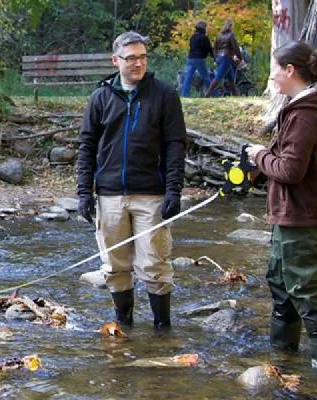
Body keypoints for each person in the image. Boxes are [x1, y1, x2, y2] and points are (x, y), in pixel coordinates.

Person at [245, 41, 317, 373]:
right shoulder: (308, 105)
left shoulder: (306, 114)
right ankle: (282, 362)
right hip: (298, 215)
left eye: (275, 69)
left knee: (308, 293)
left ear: (290, 70)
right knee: (280, 285)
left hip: (304, 217)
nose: (272, 76)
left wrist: (258, 155)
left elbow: (290, 171)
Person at [76, 31, 187, 330]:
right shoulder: (101, 97)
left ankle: (162, 329)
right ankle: (124, 325)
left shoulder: (164, 95)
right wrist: (84, 192)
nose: (138, 63)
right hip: (109, 195)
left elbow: (176, 144)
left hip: (151, 195)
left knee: (154, 266)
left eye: (142, 57)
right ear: (116, 61)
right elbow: (87, 145)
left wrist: (173, 190)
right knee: (115, 266)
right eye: (131, 58)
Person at [207, 20, 246, 97]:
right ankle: (208, 93)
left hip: (220, 58)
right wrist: (241, 59)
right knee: (218, 77)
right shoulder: (231, 35)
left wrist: (216, 59)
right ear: (230, 26)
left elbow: (215, 48)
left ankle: (235, 95)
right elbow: (236, 48)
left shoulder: (219, 35)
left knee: (231, 78)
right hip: (227, 58)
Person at [180, 21, 213, 97]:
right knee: (206, 76)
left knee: (188, 77)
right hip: (199, 59)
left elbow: (191, 47)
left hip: (190, 58)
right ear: (203, 28)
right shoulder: (204, 37)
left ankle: (184, 95)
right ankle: (212, 93)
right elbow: (209, 49)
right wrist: (213, 57)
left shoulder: (193, 37)